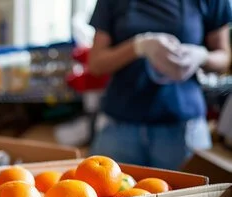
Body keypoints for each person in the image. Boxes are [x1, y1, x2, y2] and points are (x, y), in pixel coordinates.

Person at [87, 0, 232, 170]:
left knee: (189, 194)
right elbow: (96, 64)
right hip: (120, 126)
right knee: (109, 191)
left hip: (183, 128)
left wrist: (201, 56)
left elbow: (224, 57)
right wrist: (138, 46)